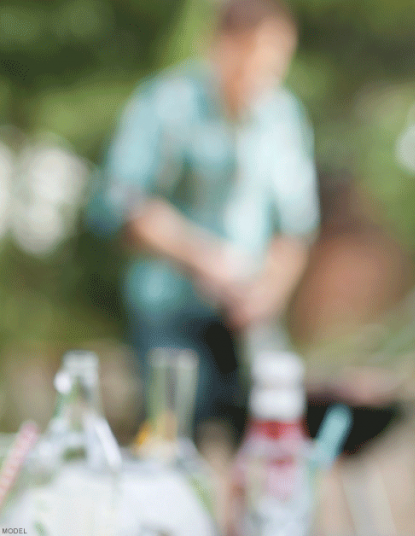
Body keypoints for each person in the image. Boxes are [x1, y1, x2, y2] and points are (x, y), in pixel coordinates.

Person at [88, 0, 318, 446]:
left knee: (265, 442)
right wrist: (206, 259)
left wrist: (268, 292)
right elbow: (123, 204)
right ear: (218, 45)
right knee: (171, 437)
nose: (257, 76)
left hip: (247, 314)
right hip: (169, 307)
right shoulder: (164, 102)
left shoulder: (283, 116)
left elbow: (296, 228)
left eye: (272, 62)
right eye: (247, 59)